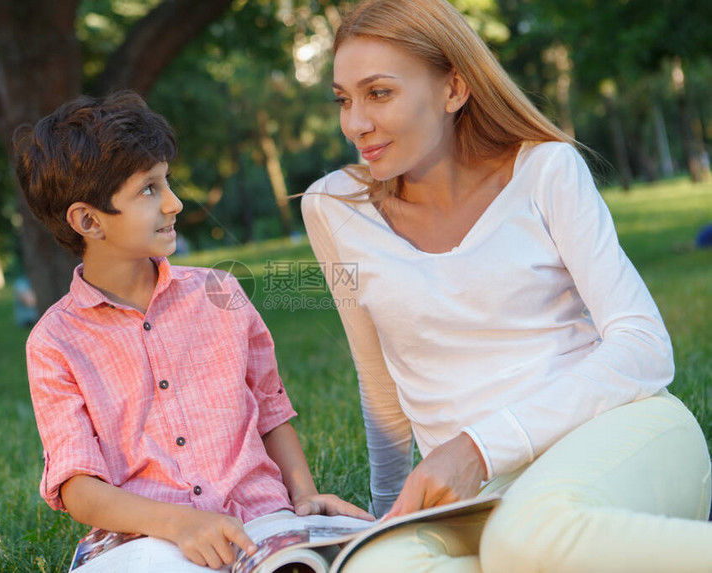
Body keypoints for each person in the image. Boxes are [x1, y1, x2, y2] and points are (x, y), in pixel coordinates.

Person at [301, 1, 712, 571]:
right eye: (344, 99)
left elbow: (643, 348)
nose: (354, 123)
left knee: (524, 539)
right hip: (471, 503)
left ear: (454, 90)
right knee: (373, 567)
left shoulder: (546, 169)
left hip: (615, 437)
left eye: (379, 93)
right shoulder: (332, 208)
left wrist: (476, 446)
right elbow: (381, 386)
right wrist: (383, 520)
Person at [14, 91, 371, 572]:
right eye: (148, 189)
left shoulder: (221, 294)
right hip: (148, 539)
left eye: (167, 182)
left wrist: (304, 497)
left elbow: (270, 411)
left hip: (260, 521)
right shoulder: (55, 343)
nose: (174, 203)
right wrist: (182, 525)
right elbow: (78, 487)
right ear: (88, 220)